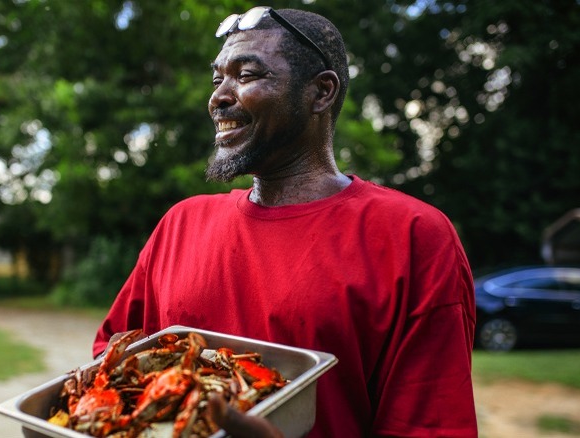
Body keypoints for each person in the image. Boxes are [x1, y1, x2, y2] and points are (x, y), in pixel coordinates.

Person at [93, 7, 477, 437]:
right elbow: (110, 366)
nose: (219, 95)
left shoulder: (412, 236)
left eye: (246, 75)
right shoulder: (181, 224)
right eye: (217, 78)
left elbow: (428, 424)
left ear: (320, 93)